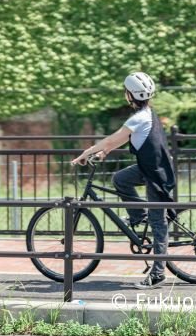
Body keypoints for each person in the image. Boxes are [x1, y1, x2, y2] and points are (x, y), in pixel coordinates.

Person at [71, 72, 176, 289]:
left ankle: (158, 274)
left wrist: (85, 153)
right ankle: (138, 215)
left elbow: (113, 138)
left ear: (130, 95)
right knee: (120, 179)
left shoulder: (138, 118)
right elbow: (121, 139)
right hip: (149, 168)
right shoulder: (147, 114)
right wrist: (105, 152)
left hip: (155, 174)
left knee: (158, 223)